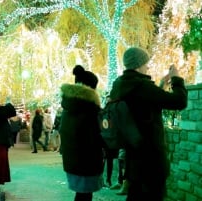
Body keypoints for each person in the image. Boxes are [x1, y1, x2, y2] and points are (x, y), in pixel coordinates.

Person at [109, 47, 187, 201]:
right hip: (151, 158)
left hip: (133, 157)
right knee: (152, 196)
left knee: (136, 195)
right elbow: (179, 101)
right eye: (146, 63)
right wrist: (177, 80)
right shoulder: (142, 86)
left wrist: (160, 86)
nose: (148, 66)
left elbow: (143, 108)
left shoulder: (120, 85)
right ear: (138, 65)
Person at [59, 65, 104, 201]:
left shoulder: (69, 105)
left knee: (81, 194)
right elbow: (96, 135)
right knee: (84, 196)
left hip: (73, 159)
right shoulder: (89, 108)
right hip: (87, 160)